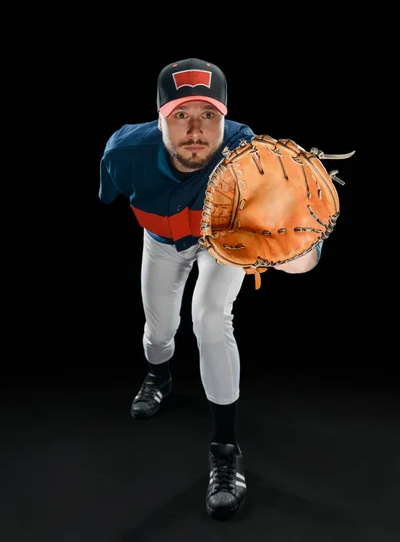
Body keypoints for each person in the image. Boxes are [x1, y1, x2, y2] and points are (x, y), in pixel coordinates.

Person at [98, 58, 322, 520]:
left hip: (219, 242)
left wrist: (291, 240)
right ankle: (159, 375)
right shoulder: (123, 153)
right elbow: (112, 194)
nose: (196, 130)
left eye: (209, 116)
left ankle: (224, 448)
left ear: (225, 117)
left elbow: (304, 262)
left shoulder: (246, 153)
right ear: (160, 116)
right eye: (181, 115)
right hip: (160, 243)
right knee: (158, 332)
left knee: (209, 317)